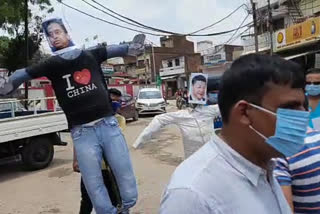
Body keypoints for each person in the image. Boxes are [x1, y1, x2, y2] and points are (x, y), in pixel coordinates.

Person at [0, 18, 145, 214]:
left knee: (125, 179)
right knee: (93, 186)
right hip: (82, 133)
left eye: (57, 31)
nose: (54, 37)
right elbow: (22, 74)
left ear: (67, 33)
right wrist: (7, 86)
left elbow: (113, 49)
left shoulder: (89, 55)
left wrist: (132, 47)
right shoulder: (50, 64)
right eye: (50, 35)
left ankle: (125, 208)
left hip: (108, 125)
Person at [160, 54, 310, 214]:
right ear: (244, 112)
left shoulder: (265, 168)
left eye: (303, 107)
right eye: (290, 108)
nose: (303, 118)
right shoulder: (192, 195)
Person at [133, 104, 220, 159]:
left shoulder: (209, 111)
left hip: (211, 156)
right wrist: (140, 140)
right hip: (192, 158)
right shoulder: (182, 115)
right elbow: (159, 119)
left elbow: (228, 106)